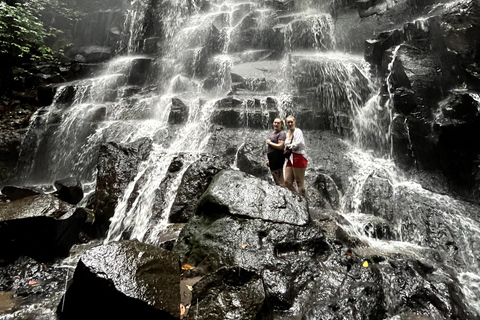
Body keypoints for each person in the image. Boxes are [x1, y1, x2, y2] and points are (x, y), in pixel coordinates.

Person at [284, 115, 307, 197]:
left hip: (299, 156)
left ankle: (304, 201)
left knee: (299, 182)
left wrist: (289, 146)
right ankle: (298, 199)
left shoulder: (298, 131)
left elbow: (298, 143)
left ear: (294, 122)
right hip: (291, 158)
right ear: (286, 123)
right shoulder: (287, 133)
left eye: (291, 122)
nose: (290, 123)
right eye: (288, 122)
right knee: (287, 181)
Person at [266, 118, 286, 187]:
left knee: (279, 178)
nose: (276, 124)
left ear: (281, 125)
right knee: (275, 177)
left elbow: (280, 146)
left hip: (278, 158)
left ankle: (284, 193)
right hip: (273, 159)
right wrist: (269, 160)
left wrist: (270, 142)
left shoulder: (281, 133)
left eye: (278, 123)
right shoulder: (274, 133)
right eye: (275, 122)